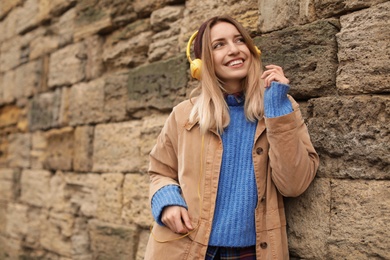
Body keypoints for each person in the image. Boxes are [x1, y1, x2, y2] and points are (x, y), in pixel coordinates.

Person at [144, 15, 319, 260]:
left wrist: (277, 110)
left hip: (252, 253)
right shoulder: (185, 115)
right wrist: (167, 201)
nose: (234, 50)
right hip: (186, 248)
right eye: (219, 45)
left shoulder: (280, 106)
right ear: (202, 64)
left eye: (239, 41)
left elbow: (294, 184)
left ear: (252, 50)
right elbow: (159, 171)